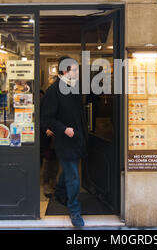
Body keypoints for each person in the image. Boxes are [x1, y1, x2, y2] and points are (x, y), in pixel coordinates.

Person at [41, 56, 88, 227]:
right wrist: (64, 130)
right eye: (74, 70)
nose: (77, 73)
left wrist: (82, 134)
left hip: (77, 139)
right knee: (74, 177)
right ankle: (74, 211)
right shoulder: (53, 91)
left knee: (70, 172)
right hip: (64, 141)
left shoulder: (73, 87)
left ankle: (60, 193)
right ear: (63, 71)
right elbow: (47, 119)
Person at [40, 89, 58, 198]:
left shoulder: (58, 100)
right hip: (46, 135)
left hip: (57, 134)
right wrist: (46, 129)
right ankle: (46, 184)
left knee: (56, 159)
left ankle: (53, 182)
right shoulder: (43, 101)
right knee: (48, 159)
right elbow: (41, 118)